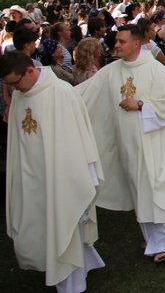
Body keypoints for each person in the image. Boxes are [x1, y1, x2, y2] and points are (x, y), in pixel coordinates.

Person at [76, 24, 165, 264]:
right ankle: (163, 231)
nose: (117, 45)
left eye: (122, 41)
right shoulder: (111, 71)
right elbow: (84, 94)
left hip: (153, 145)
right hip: (127, 147)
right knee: (139, 192)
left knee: (155, 191)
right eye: (116, 41)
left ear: (136, 43)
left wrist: (141, 105)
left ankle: (162, 242)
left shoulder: (156, 71)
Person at [2, 51, 105, 292]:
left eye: (16, 83)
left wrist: (86, 179)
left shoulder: (61, 93)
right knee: (44, 226)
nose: (14, 90)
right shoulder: (20, 96)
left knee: (66, 225)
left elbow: (80, 138)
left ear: (30, 70)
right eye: (10, 86)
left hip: (63, 178)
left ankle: (72, 284)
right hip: (33, 178)